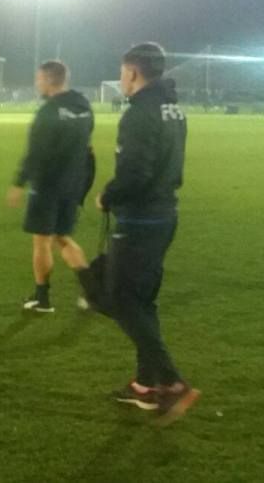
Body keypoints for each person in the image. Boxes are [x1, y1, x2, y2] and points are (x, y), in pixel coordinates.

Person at [75, 42, 199, 425]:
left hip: (141, 220)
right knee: (142, 302)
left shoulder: (139, 113)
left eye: (122, 72)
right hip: (164, 215)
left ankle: (172, 382)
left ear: (132, 72)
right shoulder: (173, 108)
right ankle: (146, 387)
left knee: (121, 300)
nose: (121, 80)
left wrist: (107, 196)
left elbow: (135, 174)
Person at [6, 60, 94, 314]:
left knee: (42, 241)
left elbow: (35, 154)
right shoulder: (84, 106)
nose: (37, 83)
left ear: (48, 80)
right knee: (62, 237)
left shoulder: (47, 112)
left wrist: (18, 183)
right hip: (73, 184)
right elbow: (87, 147)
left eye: (39, 79)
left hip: (47, 186)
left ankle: (42, 299)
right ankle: (92, 292)